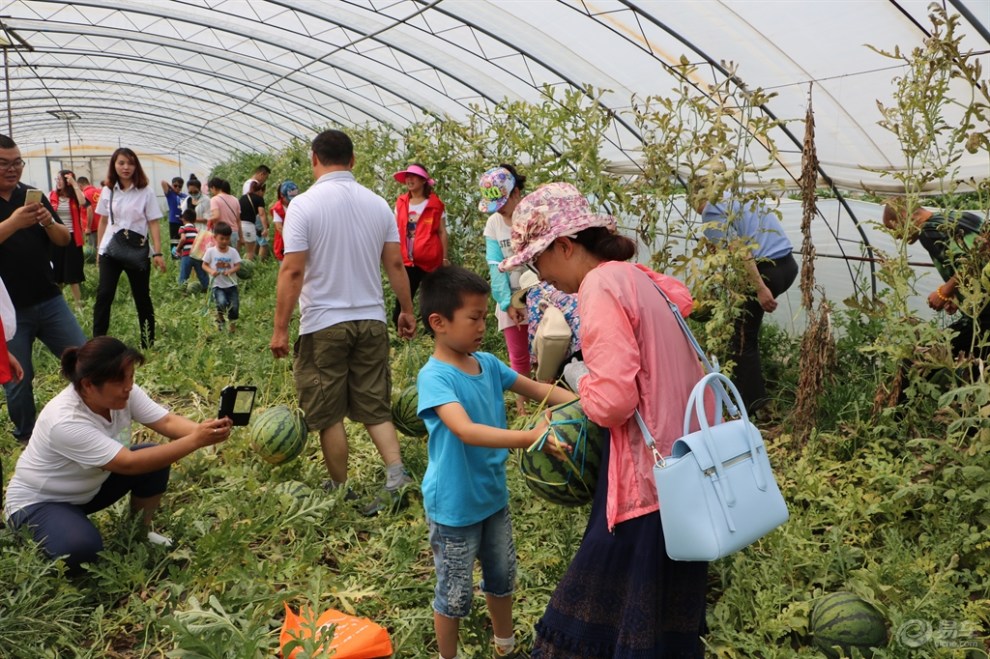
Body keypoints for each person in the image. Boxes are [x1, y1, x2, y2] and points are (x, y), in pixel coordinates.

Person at [499, 182, 708, 658]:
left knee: (594, 614)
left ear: (565, 246)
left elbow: (613, 400)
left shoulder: (599, 287)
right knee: (658, 617)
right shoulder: (639, 278)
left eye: (538, 263)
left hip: (646, 480)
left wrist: (579, 384)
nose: (543, 278)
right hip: (686, 471)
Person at [417, 265, 575, 659]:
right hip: (454, 508)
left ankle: (506, 647)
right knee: (453, 593)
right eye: (473, 318)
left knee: (502, 578)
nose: (482, 326)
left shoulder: (487, 363)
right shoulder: (435, 377)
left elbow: (537, 388)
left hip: (493, 498)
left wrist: (587, 402)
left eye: (485, 317)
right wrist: (530, 437)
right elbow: (466, 430)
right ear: (438, 322)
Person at [269, 129, 417, 515]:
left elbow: (292, 271)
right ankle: (396, 476)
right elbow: (396, 264)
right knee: (374, 404)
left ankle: (339, 487)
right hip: (371, 319)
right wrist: (406, 309)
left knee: (328, 410)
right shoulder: (378, 204)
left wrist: (281, 327)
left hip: (324, 323)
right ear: (352, 161)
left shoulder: (303, 205)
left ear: (314, 159)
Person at [3, 336, 233, 573]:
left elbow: (165, 420)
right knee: (82, 550)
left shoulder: (124, 393)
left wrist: (205, 431)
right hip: (39, 503)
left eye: (131, 376)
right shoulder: (65, 421)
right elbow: (129, 464)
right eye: (120, 380)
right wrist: (196, 441)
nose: (129, 386)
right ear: (88, 385)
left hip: (88, 488)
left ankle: (139, 533)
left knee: (154, 457)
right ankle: (39, 532)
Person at [0, 133, 88, 444]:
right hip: (9, 311)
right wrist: (14, 222)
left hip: (49, 299)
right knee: (18, 380)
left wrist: (47, 222)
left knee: (84, 359)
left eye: (17, 163)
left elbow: (63, 240)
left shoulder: (31, 195)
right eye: (4, 164)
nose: (12, 170)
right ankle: (27, 437)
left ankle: (91, 421)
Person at [697, 193, 797, 414]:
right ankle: (745, 394)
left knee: (742, 339)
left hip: (765, 272)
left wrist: (761, 289)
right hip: (787, 266)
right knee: (745, 330)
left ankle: (753, 406)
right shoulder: (741, 198)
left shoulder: (710, 212)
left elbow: (739, 251)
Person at [882, 201, 989, 358]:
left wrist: (944, 292)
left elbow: (974, 261)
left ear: (903, 216)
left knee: (925, 357)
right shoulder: (959, 217)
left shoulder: (929, 231)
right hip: (983, 304)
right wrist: (957, 294)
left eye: (894, 229)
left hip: (984, 313)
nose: (898, 237)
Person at [94, 148, 167, 348]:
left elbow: (153, 222)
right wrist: (100, 250)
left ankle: (148, 343)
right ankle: (97, 344)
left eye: (130, 163)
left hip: (137, 251)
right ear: (114, 165)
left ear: (136, 166)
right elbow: (102, 221)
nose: (126, 167)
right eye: (121, 163)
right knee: (104, 294)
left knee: (142, 296)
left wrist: (158, 252)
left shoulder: (146, 191)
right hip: (111, 249)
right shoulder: (108, 190)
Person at [480, 165, 530, 415]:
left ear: (516, 193)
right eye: (494, 204)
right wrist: (506, 303)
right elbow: (494, 264)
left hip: (539, 296)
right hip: (509, 297)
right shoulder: (493, 223)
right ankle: (523, 408)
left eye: (503, 202)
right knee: (518, 355)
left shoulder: (532, 216)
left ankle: (553, 401)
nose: (499, 208)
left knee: (547, 350)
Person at [391, 163, 449, 326]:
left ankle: (434, 332)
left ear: (423, 180)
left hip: (430, 260)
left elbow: (442, 232)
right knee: (403, 297)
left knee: (432, 298)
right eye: (407, 177)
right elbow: (396, 230)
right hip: (407, 260)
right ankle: (400, 331)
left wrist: (445, 259)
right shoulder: (401, 202)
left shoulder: (435, 204)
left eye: (413, 176)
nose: (409, 180)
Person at [49, 169, 87, 305]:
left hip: (72, 238)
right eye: (56, 179)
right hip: (57, 236)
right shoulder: (52, 196)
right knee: (56, 274)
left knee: (72, 274)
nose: (58, 182)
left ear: (67, 181)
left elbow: (83, 202)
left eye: (60, 179)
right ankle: (57, 304)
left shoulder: (74, 198)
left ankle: (79, 305)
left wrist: (74, 183)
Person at [201, 222, 241, 332]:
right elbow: (204, 265)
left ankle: (232, 328)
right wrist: (211, 271)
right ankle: (220, 318)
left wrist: (230, 271)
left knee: (234, 306)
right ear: (215, 238)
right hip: (217, 285)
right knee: (221, 303)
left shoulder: (233, 252)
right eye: (222, 239)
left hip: (231, 285)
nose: (224, 241)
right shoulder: (211, 251)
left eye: (227, 239)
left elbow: (238, 266)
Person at [176, 207, 208, 290]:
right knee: (202, 274)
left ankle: (182, 293)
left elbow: (183, 239)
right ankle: (208, 290)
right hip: (197, 255)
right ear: (194, 220)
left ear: (183, 219)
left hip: (186, 255)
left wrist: (178, 249)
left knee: (184, 274)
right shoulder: (197, 230)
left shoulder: (182, 228)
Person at [270, 180, 299, 262]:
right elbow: (279, 227)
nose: (291, 200)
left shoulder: (298, 204)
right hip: (283, 242)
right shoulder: (278, 208)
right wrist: (290, 240)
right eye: (289, 198)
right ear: (282, 195)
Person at [238, 180, 267, 261]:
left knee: (237, 251)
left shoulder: (242, 198)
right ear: (260, 190)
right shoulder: (259, 199)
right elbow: (261, 214)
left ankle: (235, 270)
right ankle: (248, 270)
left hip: (239, 226)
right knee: (250, 252)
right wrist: (265, 228)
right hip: (249, 226)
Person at [208, 177, 240, 248]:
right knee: (232, 257)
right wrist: (241, 236)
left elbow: (216, 216)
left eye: (211, 190)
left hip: (221, 234)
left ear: (213, 187)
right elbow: (238, 220)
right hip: (234, 233)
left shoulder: (214, 199)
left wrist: (209, 219)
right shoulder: (235, 200)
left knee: (220, 256)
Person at [160, 176, 187, 258]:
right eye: (175, 185)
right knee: (175, 241)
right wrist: (172, 188)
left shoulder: (184, 196)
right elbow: (163, 181)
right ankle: (175, 258)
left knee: (184, 241)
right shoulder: (170, 194)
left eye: (180, 186)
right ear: (172, 185)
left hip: (183, 222)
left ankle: (183, 258)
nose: (177, 188)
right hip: (174, 222)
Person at [77, 175, 102, 251]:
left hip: (92, 227)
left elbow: (89, 209)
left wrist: (88, 227)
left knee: (93, 251)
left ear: (80, 185)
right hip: (102, 225)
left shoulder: (84, 194)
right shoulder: (99, 191)